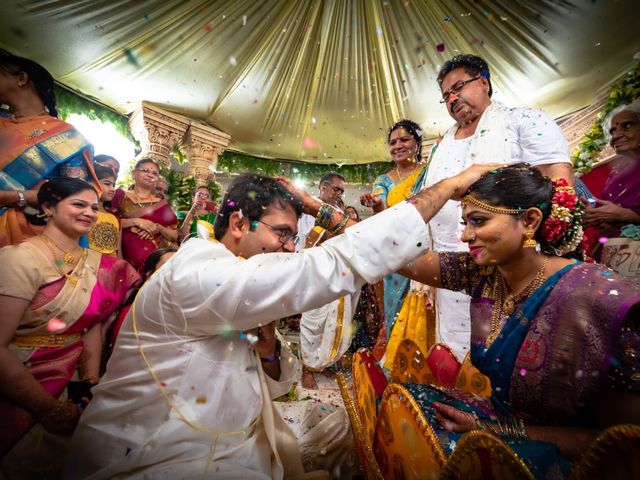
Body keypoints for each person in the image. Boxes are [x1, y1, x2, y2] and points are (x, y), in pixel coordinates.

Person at [65, 165, 497, 479]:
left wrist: (269, 348)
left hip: (222, 435)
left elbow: (273, 379)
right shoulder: (199, 273)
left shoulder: (234, 279)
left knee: (337, 428)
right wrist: (449, 186)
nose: (291, 248)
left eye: (294, 235)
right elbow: (327, 264)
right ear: (238, 223)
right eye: (283, 233)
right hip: (156, 450)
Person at [398, 164, 639, 478]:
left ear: (529, 221)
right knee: (408, 411)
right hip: (501, 420)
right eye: (465, 222)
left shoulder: (595, 299)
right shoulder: (485, 272)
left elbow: (624, 441)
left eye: (478, 221)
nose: (465, 235)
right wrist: (447, 187)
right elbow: (392, 253)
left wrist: (495, 430)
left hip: (568, 455)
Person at [417, 54, 575, 360]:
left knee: (507, 353)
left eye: (459, 86)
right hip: (451, 269)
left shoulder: (523, 120)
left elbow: (560, 184)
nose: (452, 98)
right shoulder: (441, 145)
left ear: (485, 83)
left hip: (512, 269)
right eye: (446, 95)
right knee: (460, 352)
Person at [0, 178, 139, 479]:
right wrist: (47, 408)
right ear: (48, 207)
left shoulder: (96, 264)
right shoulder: (20, 258)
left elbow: (88, 325)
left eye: (95, 206)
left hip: (71, 379)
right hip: (22, 381)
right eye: (78, 204)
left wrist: (89, 382)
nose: (89, 212)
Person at [0, 53, 98, 248]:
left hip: (27, 237)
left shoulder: (67, 137)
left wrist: (19, 197)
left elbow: (76, 197)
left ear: (22, 79)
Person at [359, 119, 429, 368]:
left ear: (417, 143)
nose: (398, 145)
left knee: (426, 314)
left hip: (427, 253)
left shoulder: (429, 173)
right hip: (398, 257)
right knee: (396, 316)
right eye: (393, 142)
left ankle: (424, 373)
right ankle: (397, 372)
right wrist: (375, 204)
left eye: (404, 140)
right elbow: (382, 215)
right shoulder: (384, 180)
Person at [583, 100, 640, 277]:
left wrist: (622, 215)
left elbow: (623, 213)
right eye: (613, 131)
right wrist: (600, 218)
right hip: (614, 254)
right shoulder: (615, 173)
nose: (616, 135)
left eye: (627, 126)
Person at [111, 159, 178, 271]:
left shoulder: (162, 205)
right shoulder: (120, 195)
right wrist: (136, 221)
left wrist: (158, 227)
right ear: (134, 174)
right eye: (145, 170)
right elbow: (106, 220)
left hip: (159, 260)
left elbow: (174, 235)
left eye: (154, 173)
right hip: (124, 255)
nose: (150, 175)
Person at [296, 172, 345, 250]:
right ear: (323, 187)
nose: (339, 194)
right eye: (336, 189)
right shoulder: (308, 204)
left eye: (342, 191)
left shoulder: (340, 213)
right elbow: (308, 234)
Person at [88, 164, 120, 257]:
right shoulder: (85, 213)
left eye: (113, 185)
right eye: (107, 184)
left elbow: (116, 250)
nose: (112, 189)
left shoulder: (113, 218)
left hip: (110, 267)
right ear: (93, 183)